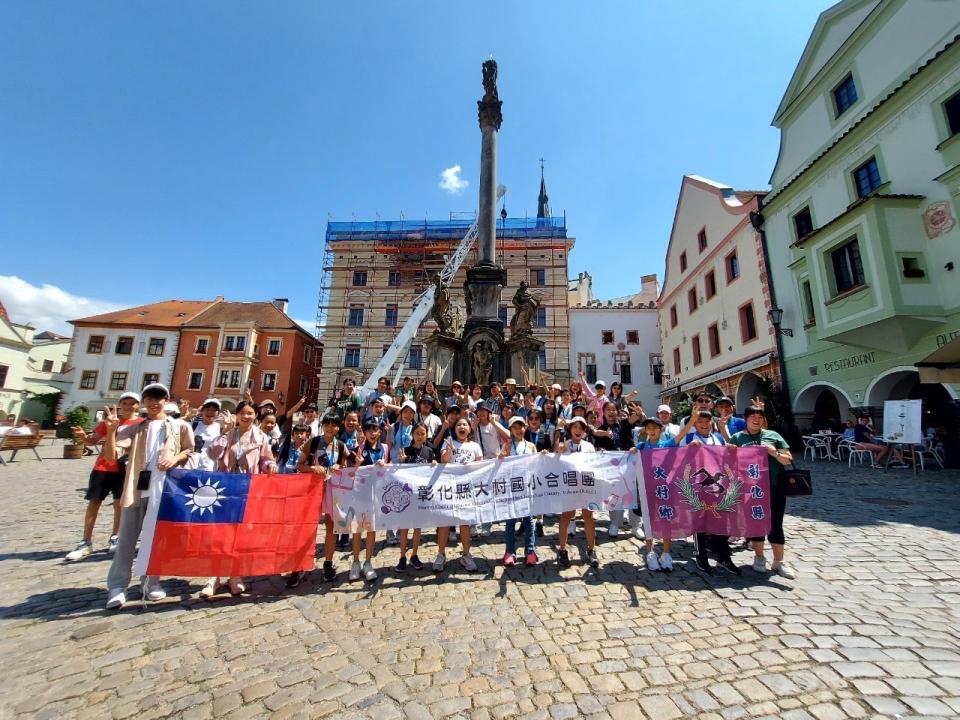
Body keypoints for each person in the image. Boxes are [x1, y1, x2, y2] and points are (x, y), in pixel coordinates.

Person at [104, 383, 195, 610]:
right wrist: (110, 431)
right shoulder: (135, 427)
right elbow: (111, 455)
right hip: (136, 490)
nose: (154, 403)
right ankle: (117, 586)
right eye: (149, 398)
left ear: (166, 400)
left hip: (164, 490)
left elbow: (189, 451)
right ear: (143, 402)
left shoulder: (179, 426)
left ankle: (151, 581)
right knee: (126, 540)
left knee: (155, 539)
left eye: (159, 398)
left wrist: (174, 459)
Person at [201, 400, 277, 597]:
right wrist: (223, 434)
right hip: (225, 489)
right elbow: (213, 454)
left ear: (255, 416)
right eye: (243, 413)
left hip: (247, 489)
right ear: (236, 415)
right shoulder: (228, 435)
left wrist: (270, 466)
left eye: (250, 413)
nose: (246, 416)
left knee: (240, 534)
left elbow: (267, 458)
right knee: (220, 533)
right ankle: (214, 577)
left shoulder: (260, 437)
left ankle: (235, 575)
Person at [66, 391, 142, 562]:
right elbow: (92, 440)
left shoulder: (140, 423)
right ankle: (85, 541)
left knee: (119, 504)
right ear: (120, 405)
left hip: (125, 468)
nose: (128, 406)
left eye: (132, 403)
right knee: (94, 503)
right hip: (103, 467)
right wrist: (83, 437)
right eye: (125, 403)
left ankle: (115, 537)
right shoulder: (107, 421)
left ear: (138, 405)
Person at [728, 405, 796, 579]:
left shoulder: (773, 436)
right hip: (750, 488)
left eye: (760, 416)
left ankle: (779, 561)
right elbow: (729, 463)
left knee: (776, 523)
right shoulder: (738, 437)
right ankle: (759, 558)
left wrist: (774, 453)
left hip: (774, 486)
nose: (756, 419)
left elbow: (788, 459)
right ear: (746, 418)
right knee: (756, 522)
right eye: (753, 416)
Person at [681, 410, 738, 576]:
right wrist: (689, 450)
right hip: (698, 487)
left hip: (718, 487)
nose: (704, 425)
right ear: (695, 424)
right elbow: (679, 458)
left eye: (707, 422)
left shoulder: (718, 438)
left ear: (711, 423)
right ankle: (701, 556)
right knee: (700, 521)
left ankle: (723, 556)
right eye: (700, 422)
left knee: (722, 520)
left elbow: (726, 457)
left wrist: (731, 449)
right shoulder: (690, 438)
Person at [294, 413, 347, 585]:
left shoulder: (340, 446)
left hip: (333, 491)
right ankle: (300, 565)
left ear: (339, 427)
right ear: (323, 425)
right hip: (313, 490)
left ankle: (328, 563)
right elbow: (300, 465)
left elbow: (347, 467)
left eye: (334, 425)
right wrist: (312, 468)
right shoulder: (313, 442)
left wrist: (340, 466)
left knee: (332, 527)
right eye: (328, 424)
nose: (331, 428)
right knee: (308, 527)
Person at [629, 417, 677, 572]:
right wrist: (632, 450)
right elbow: (630, 456)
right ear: (646, 431)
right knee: (648, 520)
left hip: (664, 489)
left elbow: (680, 437)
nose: (652, 430)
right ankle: (650, 553)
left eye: (654, 427)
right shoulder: (642, 446)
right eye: (648, 428)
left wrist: (693, 420)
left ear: (660, 429)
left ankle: (666, 554)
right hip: (647, 489)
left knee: (665, 520)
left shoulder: (665, 445)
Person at [436, 418, 481, 572]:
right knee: (445, 522)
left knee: (465, 523)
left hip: (467, 489)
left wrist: (473, 466)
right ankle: (440, 554)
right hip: (449, 487)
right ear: (454, 429)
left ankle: (466, 555)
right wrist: (448, 450)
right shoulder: (449, 441)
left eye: (465, 425)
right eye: (459, 425)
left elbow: (481, 466)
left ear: (470, 428)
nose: (462, 427)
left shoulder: (474, 446)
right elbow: (443, 460)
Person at [555, 416, 599, 569]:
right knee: (566, 515)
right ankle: (562, 549)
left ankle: (591, 549)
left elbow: (595, 464)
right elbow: (555, 459)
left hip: (586, 486)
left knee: (588, 516)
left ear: (584, 431)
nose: (578, 430)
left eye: (581, 427)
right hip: (570, 486)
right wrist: (557, 448)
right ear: (570, 429)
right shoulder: (564, 445)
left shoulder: (589, 446)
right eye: (575, 427)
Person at [395, 423, 436, 574]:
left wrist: (434, 463)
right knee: (405, 527)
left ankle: (414, 554)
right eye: (417, 433)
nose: (420, 436)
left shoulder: (429, 451)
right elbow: (399, 472)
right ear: (412, 435)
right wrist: (402, 461)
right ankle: (402, 557)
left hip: (421, 494)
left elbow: (434, 468)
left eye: (423, 433)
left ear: (426, 435)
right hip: (407, 494)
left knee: (417, 527)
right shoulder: (405, 451)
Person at [349, 420, 387, 582]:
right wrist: (357, 464)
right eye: (369, 430)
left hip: (376, 495)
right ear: (364, 432)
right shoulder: (357, 449)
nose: (373, 433)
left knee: (372, 530)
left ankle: (368, 562)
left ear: (380, 432)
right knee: (357, 530)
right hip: (358, 495)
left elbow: (389, 469)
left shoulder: (384, 448)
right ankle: (356, 562)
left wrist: (384, 464)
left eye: (375, 430)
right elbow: (349, 473)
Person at [500, 416, 539, 567]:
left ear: (526, 428)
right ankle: (510, 552)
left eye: (521, 426)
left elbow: (536, 464)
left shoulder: (530, 446)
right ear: (510, 430)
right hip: (511, 488)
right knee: (510, 521)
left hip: (527, 487)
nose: (518, 430)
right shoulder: (507, 446)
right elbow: (501, 465)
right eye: (515, 427)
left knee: (529, 521)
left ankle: (530, 551)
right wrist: (501, 458)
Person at [189, 398, 222, 471]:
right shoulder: (192, 425)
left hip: (210, 468)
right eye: (207, 409)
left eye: (214, 410)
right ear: (202, 411)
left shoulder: (221, 428)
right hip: (191, 466)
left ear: (218, 413)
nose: (210, 412)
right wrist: (186, 417)